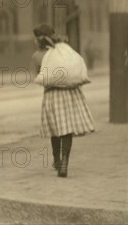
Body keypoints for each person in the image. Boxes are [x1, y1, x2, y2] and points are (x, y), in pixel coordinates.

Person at [32, 23, 95, 177]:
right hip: (70, 94)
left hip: (52, 96)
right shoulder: (66, 49)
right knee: (67, 130)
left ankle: (57, 160)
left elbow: (41, 76)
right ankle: (65, 162)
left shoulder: (38, 56)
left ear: (39, 40)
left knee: (55, 129)